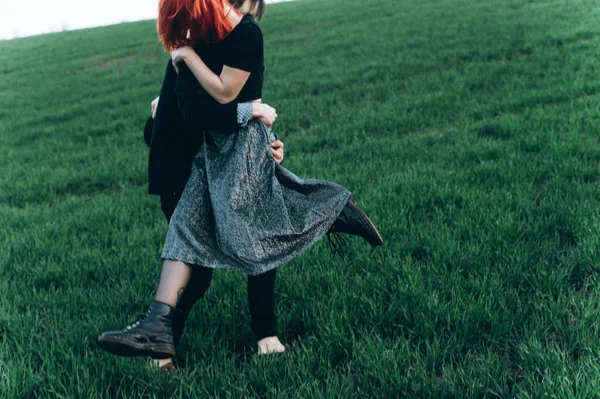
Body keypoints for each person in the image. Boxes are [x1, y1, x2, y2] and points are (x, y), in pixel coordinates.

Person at [97, 0, 383, 367]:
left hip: (227, 153)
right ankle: (160, 335)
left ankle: (259, 334)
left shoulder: (238, 36)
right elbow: (191, 111)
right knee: (192, 243)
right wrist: (248, 112)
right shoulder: (192, 42)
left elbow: (228, 93)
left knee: (250, 233)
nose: (234, 9)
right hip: (193, 161)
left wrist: (259, 127)